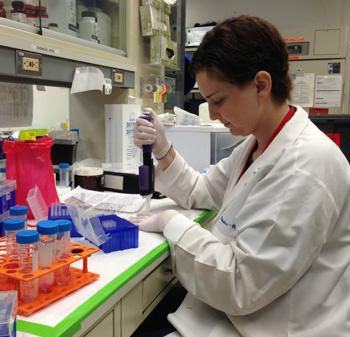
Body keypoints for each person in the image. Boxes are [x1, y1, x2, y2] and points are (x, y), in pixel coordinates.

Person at [132, 15, 350, 337]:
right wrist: (163, 150)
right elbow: (201, 189)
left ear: (261, 85)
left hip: (269, 325)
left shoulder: (304, 167)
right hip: (230, 312)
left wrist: (170, 224)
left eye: (218, 101)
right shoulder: (259, 142)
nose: (214, 114)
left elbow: (240, 284)